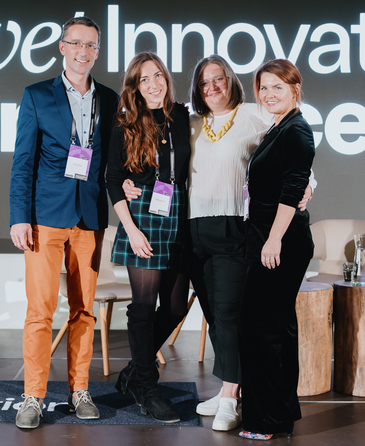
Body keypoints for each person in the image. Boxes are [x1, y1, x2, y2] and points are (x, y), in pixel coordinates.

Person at [122, 55, 314, 432]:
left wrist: (308, 187)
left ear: (231, 81)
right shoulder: (190, 122)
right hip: (191, 229)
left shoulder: (254, 115)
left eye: (219, 80)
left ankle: (229, 397)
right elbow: (159, 164)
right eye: (204, 82)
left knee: (229, 315)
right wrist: (130, 183)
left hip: (233, 227)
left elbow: (293, 157)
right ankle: (230, 389)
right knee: (214, 314)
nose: (212, 87)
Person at [9, 16, 118, 429]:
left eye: (90, 45)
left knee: (84, 311)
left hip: (89, 218)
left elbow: (113, 159)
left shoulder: (109, 99)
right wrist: (19, 217)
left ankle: (79, 391)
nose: (82, 51)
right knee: (40, 311)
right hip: (44, 219)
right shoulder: (37, 95)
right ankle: (33, 396)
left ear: (97, 51)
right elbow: (23, 162)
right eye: (76, 43)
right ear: (62, 47)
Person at [106, 52, 192, 423]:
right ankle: (146, 385)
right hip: (141, 217)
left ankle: (134, 370)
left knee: (175, 307)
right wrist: (130, 228)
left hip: (178, 213)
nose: (154, 84)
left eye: (158, 76)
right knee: (143, 306)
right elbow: (113, 180)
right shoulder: (124, 123)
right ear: (135, 87)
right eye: (144, 79)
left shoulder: (183, 116)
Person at [238, 59, 315, 440]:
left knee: (260, 329)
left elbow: (292, 189)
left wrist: (273, 239)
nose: (269, 94)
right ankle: (279, 414)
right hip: (269, 236)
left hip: (280, 241)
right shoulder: (279, 126)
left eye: (277, 87)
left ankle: (265, 420)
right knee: (277, 328)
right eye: (264, 88)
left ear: (295, 89)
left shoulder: (297, 131)